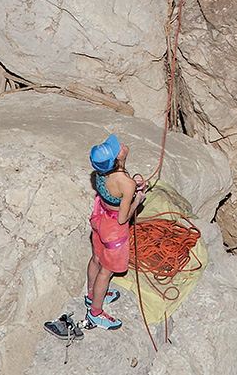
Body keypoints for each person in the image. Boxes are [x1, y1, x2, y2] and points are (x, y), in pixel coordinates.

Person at [85, 134, 146, 329]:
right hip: (114, 230)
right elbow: (122, 218)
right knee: (106, 271)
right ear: (117, 160)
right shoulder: (125, 184)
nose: (121, 145)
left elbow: (115, 187)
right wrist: (137, 199)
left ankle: (92, 294)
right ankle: (95, 312)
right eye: (116, 148)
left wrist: (133, 180)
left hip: (100, 218)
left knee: (96, 258)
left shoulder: (101, 173)